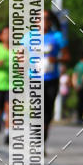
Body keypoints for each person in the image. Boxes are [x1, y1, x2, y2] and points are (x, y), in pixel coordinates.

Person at [27, 9, 69, 152]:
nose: (44, 21)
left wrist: (56, 59)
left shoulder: (57, 37)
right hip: (34, 79)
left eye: (46, 18)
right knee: (37, 110)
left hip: (51, 78)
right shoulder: (28, 37)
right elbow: (19, 56)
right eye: (40, 18)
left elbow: (67, 56)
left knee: (48, 113)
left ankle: (41, 141)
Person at [72, 53, 83, 125]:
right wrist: (81, 85)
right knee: (82, 103)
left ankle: (78, 117)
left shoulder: (77, 65)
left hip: (77, 86)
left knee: (79, 102)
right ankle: (80, 118)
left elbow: (74, 75)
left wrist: (75, 85)